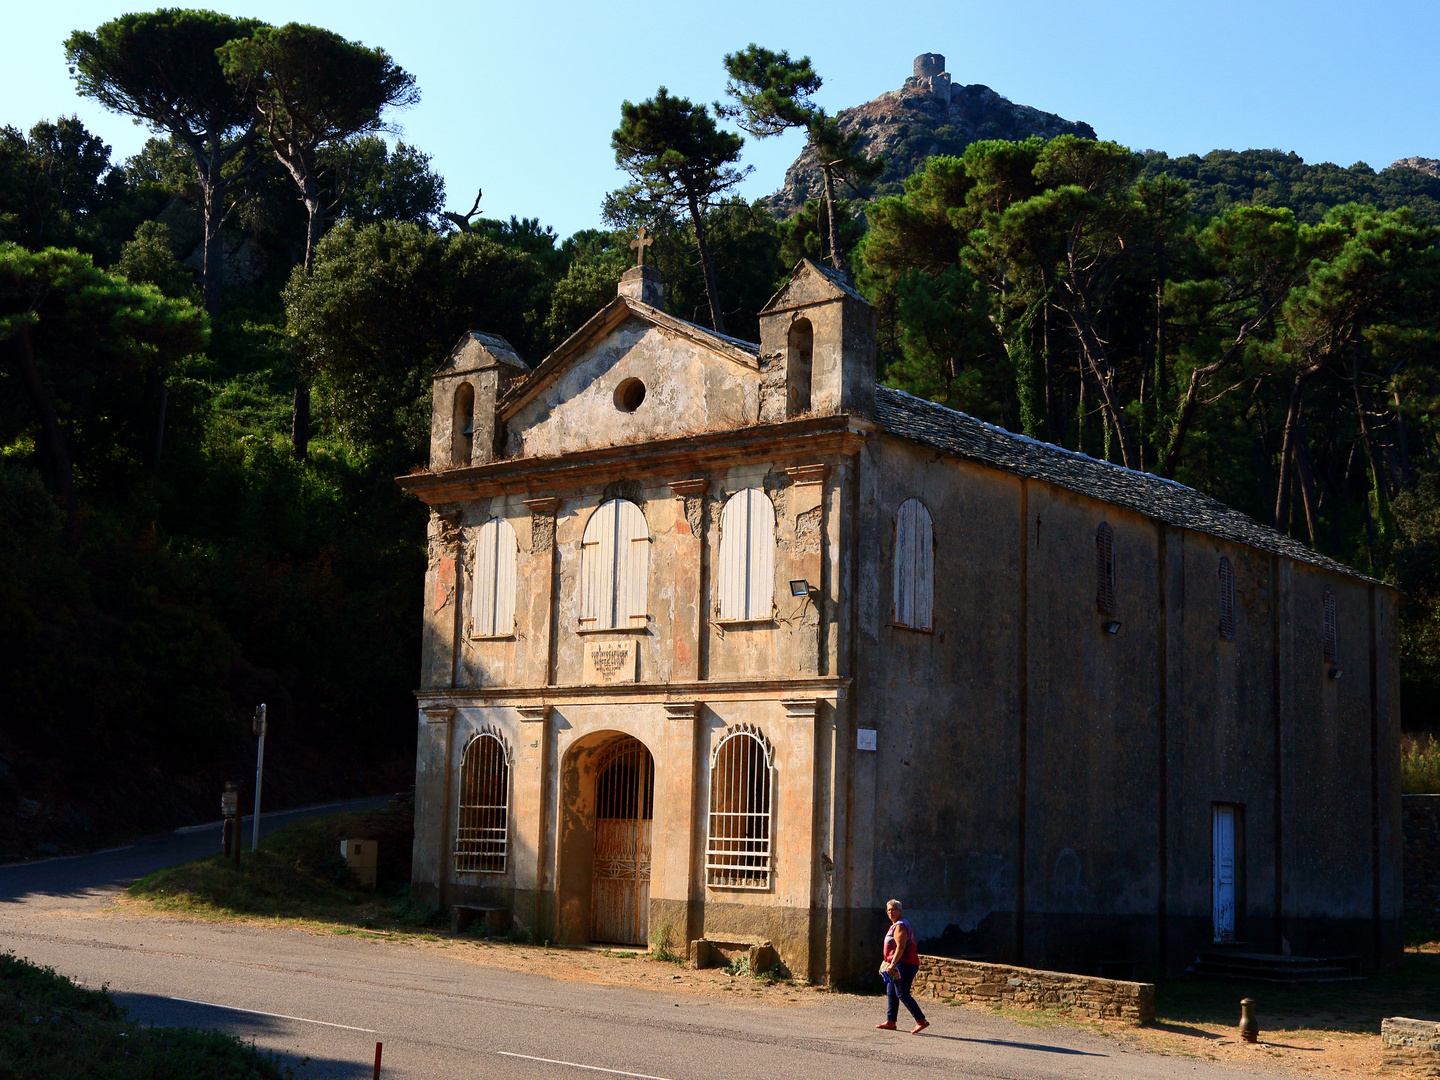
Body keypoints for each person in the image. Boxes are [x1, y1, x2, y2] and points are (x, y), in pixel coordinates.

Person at [876, 899, 928, 1033]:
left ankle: (921, 1020)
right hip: (895, 964)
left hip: (903, 964)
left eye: (893, 909)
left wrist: (893, 964)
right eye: (888, 910)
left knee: (902, 993)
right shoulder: (894, 925)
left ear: (900, 911)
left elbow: (901, 947)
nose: (890, 912)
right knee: (891, 992)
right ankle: (890, 1021)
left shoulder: (900, 926)